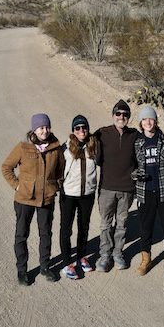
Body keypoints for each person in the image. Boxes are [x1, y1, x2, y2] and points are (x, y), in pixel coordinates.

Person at [1, 113, 65, 286]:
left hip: (47, 198)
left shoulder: (56, 147)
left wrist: (55, 186)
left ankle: (45, 266)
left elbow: (60, 171)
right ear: (34, 129)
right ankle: (22, 270)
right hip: (24, 199)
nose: (45, 131)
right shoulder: (23, 147)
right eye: (41, 127)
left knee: (46, 234)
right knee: (21, 235)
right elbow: (7, 167)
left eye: (47, 127)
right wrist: (16, 185)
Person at [133, 105, 164, 278]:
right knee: (145, 227)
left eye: (151, 118)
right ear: (140, 122)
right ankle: (146, 259)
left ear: (156, 121)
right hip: (145, 190)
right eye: (145, 119)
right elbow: (132, 167)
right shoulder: (137, 143)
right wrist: (136, 175)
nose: (148, 122)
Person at [93, 99, 139, 271]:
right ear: (113, 115)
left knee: (122, 223)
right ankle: (104, 255)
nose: (121, 117)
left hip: (127, 189)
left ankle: (118, 253)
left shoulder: (134, 134)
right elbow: (82, 140)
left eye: (125, 114)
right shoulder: (102, 133)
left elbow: (152, 138)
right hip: (106, 188)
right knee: (105, 223)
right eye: (118, 113)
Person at [59, 115, 98, 280]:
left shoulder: (94, 145)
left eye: (84, 128)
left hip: (87, 194)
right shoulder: (65, 148)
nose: (81, 131)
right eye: (77, 128)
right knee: (66, 229)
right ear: (73, 131)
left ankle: (81, 256)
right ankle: (67, 263)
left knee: (84, 227)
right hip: (68, 194)